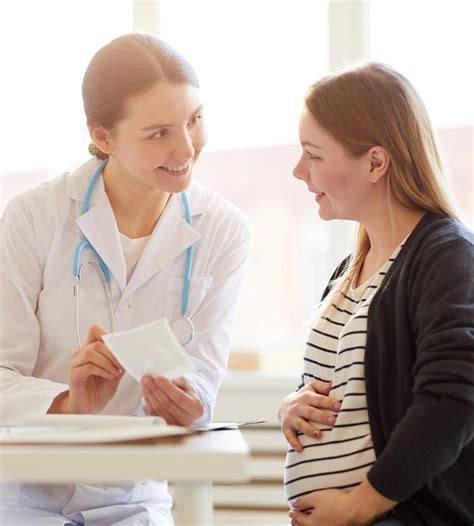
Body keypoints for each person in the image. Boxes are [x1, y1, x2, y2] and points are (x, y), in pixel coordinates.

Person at [0, 33, 250, 525]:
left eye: (194, 120)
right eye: (158, 133)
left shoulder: (222, 229)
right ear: (103, 137)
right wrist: (68, 404)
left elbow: (202, 386)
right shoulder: (34, 217)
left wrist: (186, 404)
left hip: (132, 495)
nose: (186, 148)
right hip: (22, 490)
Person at [278, 63, 473, 525]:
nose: (298, 171)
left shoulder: (446, 256)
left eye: (314, 155)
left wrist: (357, 506)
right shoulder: (352, 269)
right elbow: (351, 391)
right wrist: (292, 405)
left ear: (375, 162)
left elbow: (455, 399)